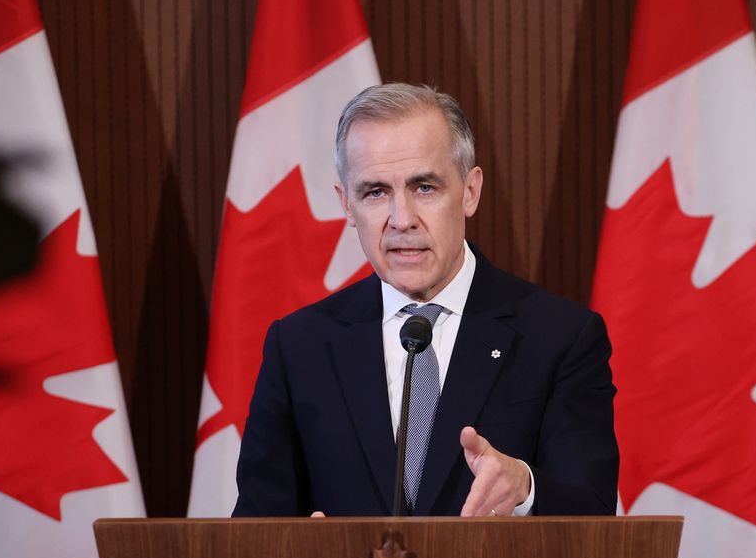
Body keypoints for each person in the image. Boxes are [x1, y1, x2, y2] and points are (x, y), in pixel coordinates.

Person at [232, 83, 618, 517]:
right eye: (375, 192)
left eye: (424, 187)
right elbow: (254, 530)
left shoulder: (559, 338)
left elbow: (594, 515)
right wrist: (299, 547)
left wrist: (524, 488)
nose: (402, 220)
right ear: (346, 205)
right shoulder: (298, 347)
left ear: (470, 191)